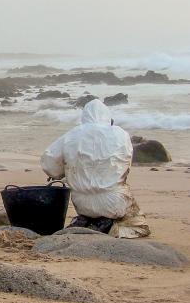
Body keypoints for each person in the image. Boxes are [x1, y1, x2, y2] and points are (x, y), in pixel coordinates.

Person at [41, 99, 150, 238]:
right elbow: (126, 165)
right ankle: (109, 225)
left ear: (84, 117)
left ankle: (87, 219)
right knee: (138, 225)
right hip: (115, 201)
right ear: (108, 117)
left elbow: (49, 164)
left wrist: (62, 172)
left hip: (81, 203)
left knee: (89, 203)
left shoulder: (72, 135)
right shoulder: (120, 134)